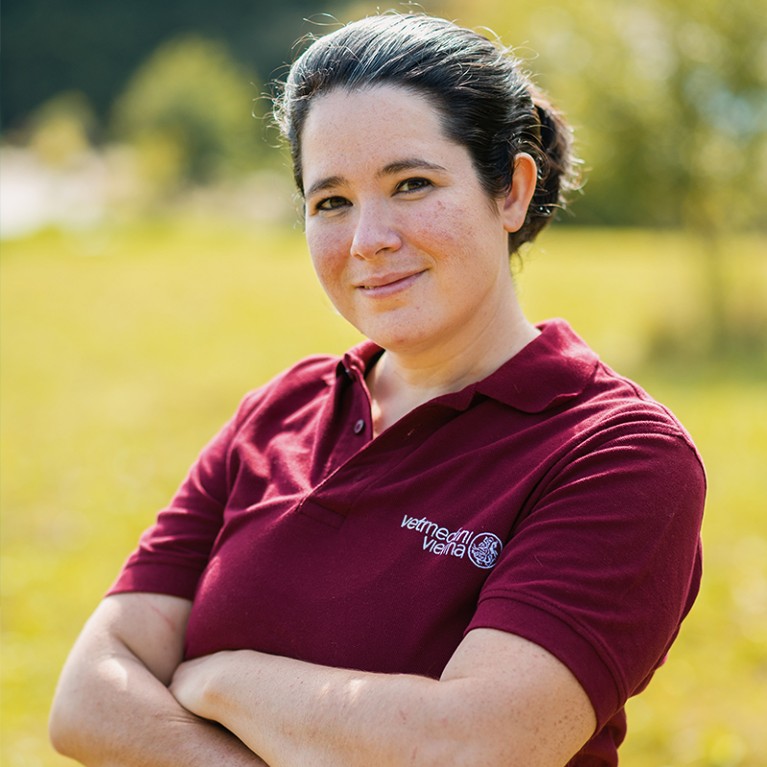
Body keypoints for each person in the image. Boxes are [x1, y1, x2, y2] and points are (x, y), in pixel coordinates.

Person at [49, 12, 705, 767]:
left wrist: (226, 679)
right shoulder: (280, 412)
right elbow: (85, 699)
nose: (367, 240)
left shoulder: (616, 455)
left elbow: (477, 746)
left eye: (412, 183)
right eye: (330, 201)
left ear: (512, 191)